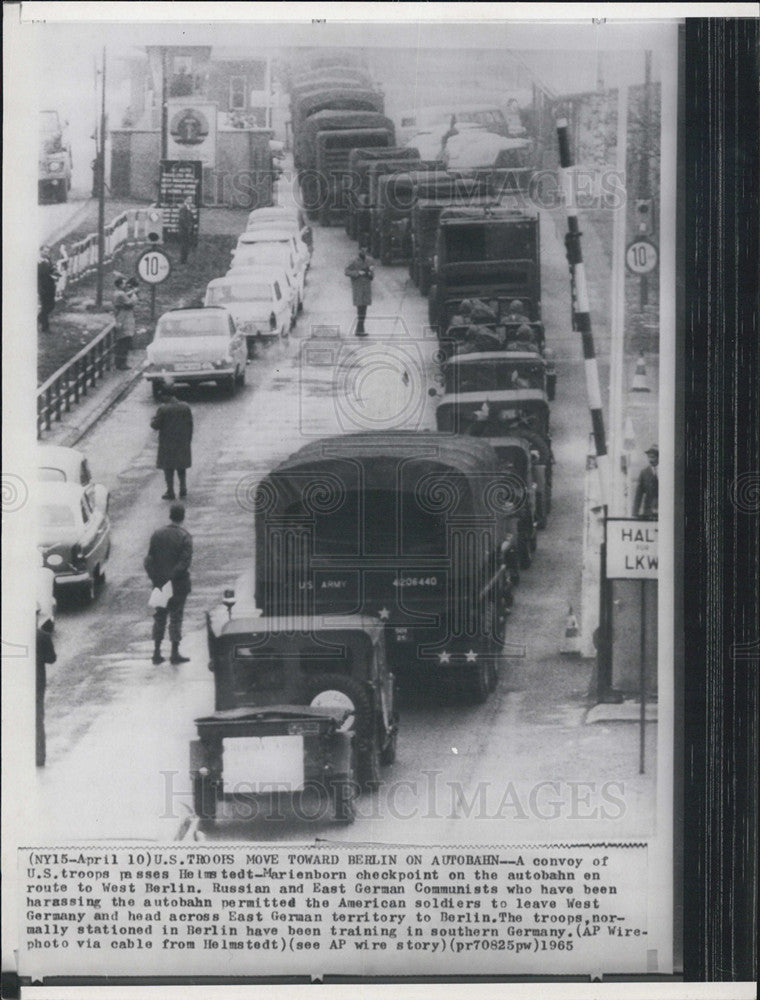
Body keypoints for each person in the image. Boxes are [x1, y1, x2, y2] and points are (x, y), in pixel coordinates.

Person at [144, 502, 193, 665]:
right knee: (176, 617)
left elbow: (149, 559)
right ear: (183, 517)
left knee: (159, 617)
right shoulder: (185, 537)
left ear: (170, 515)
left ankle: (156, 652)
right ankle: (174, 652)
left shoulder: (157, 534)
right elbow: (184, 562)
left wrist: (156, 578)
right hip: (178, 584)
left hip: (159, 583)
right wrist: (172, 577)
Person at [151, 381, 193, 500]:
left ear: (166, 395)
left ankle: (170, 491)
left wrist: (153, 419)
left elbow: (155, 425)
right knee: (181, 466)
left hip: (167, 443)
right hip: (182, 441)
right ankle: (183, 488)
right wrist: (188, 439)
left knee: (168, 468)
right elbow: (190, 424)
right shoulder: (185, 407)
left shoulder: (163, 409)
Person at [36, 612, 56, 767]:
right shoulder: (42, 636)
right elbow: (51, 658)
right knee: (37, 719)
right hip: (37, 684)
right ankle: (39, 756)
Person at [344, 247, 374, 336]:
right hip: (358, 287)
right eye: (362, 250)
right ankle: (359, 329)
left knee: (364, 309)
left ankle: (360, 329)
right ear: (359, 251)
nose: (364, 251)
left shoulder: (369, 260)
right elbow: (346, 271)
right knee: (360, 309)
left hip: (366, 287)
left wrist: (370, 273)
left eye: (365, 249)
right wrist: (357, 273)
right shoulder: (354, 261)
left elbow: (372, 274)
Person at [112, 275, 137, 370]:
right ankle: (122, 364)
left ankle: (118, 363)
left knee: (120, 342)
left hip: (120, 319)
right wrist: (134, 294)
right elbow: (131, 303)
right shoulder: (121, 294)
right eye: (124, 283)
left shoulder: (117, 293)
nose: (125, 285)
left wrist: (131, 292)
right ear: (120, 285)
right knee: (124, 343)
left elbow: (125, 296)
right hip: (124, 321)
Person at [633, 445, 659, 518]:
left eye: (653, 457)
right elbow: (638, 495)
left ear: (659, 457)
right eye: (649, 457)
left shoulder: (666, 472)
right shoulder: (644, 473)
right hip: (648, 513)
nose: (650, 460)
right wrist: (635, 513)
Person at [37, 246, 58, 333]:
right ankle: (45, 327)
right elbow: (38, 277)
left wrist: (55, 273)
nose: (46, 253)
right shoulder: (38, 262)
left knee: (51, 305)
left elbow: (51, 269)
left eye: (48, 252)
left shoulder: (48, 259)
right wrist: (39, 288)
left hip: (50, 286)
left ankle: (40, 317)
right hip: (43, 287)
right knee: (46, 306)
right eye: (45, 252)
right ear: (40, 251)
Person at [178, 195, 196, 265]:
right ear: (185, 200)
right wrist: (187, 227)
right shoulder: (183, 208)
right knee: (184, 246)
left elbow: (190, 219)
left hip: (187, 230)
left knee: (186, 245)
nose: (190, 200)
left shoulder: (189, 208)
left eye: (191, 199)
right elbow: (182, 219)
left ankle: (185, 260)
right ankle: (183, 261)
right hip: (184, 230)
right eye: (189, 199)